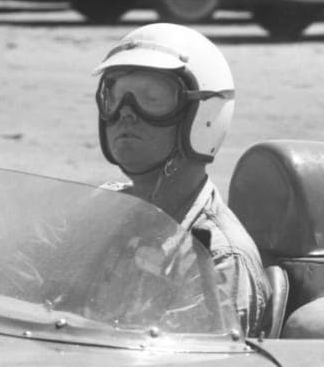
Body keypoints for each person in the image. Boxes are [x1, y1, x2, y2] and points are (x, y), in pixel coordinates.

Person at [93, 22, 271, 336]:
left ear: (199, 114)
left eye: (152, 98)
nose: (125, 113)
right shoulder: (101, 212)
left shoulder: (218, 256)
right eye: (116, 96)